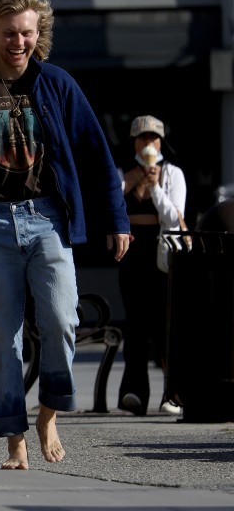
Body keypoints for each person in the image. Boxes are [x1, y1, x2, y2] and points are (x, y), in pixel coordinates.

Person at [0, 0, 130, 470]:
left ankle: (49, 413)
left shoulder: (57, 84)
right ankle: (15, 438)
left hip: (48, 220)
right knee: (3, 339)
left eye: (27, 32)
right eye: (10, 31)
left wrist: (116, 218)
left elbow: (97, 156)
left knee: (62, 321)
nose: (18, 41)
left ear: (39, 36)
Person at [117, 115, 187, 416]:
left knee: (165, 323)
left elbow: (174, 218)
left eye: (153, 138)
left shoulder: (172, 174)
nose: (148, 144)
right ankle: (133, 392)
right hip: (132, 250)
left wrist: (155, 186)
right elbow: (110, 205)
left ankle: (173, 393)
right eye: (143, 138)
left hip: (162, 251)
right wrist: (135, 178)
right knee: (135, 323)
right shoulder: (122, 172)